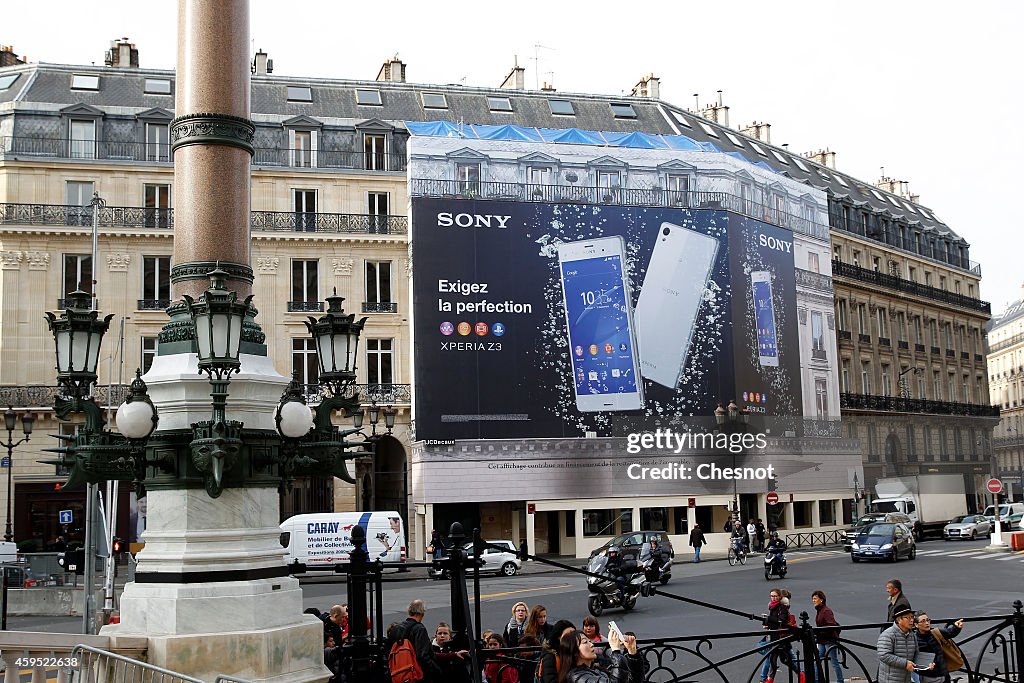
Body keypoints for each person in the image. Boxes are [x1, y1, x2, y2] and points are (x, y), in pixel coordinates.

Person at [555, 628, 644, 683]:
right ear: (574, 651)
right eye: (585, 642)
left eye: (590, 641)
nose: (591, 644)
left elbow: (633, 680)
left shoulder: (596, 669)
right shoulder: (577, 677)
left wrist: (632, 654)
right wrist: (616, 651)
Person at [389, 599, 444, 682]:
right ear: (422, 613)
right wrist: (435, 671)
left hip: (398, 672)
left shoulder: (396, 629)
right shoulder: (419, 629)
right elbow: (422, 656)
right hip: (415, 675)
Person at [759, 587, 803, 683]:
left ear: (779, 597)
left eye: (775, 596)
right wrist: (767, 623)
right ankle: (800, 674)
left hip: (781, 638)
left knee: (777, 660)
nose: (773, 598)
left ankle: (768, 679)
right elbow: (775, 622)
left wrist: (768, 619)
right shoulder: (772, 607)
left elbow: (781, 621)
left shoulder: (781, 608)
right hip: (776, 637)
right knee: (781, 660)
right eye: (771, 596)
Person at [877, 607, 929, 683]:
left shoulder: (912, 634)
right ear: (899, 620)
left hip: (906, 679)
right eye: (907, 618)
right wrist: (905, 664)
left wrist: (927, 664)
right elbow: (884, 655)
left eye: (912, 617)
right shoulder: (888, 634)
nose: (911, 620)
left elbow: (916, 655)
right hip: (890, 680)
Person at [914, 612, 965, 683]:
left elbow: (949, 632)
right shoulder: (914, 639)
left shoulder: (934, 633)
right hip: (928, 676)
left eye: (928, 620)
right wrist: (925, 666)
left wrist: (956, 627)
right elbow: (912, 658)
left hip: (943, 673)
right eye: (923, 621)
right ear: (916, 625)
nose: (927, 623)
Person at [811, 590, 844, 683]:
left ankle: (840, 680)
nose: (813, 600)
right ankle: (817, 680)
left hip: (829, 640)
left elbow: (831, 624)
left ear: (821, 600)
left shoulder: (826, 611)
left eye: (815, 598)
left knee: (834, 662)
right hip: (822, 640)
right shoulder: (820, 610)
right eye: (812, 599)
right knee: (817, 661)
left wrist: (819, 633)